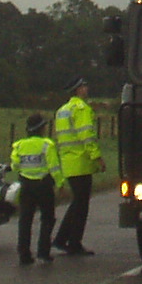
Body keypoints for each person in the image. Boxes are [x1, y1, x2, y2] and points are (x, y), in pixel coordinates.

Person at [52, 75, 104, 255]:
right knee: (81, 205)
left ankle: (62, 239)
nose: (86, 88)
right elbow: (86, 136)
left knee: (77, 202)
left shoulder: (62, 110)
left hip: (68, 162)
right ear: (78, 89)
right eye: (84, 86)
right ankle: (74, 242)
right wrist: (97, 157)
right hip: (81, 161)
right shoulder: (81, 109)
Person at [10, 112, 65, 264]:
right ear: (41, 129)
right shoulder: (47, 145)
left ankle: (24, 254)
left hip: (26, 186)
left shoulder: (19, 145)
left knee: (25, 219)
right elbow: (54, 167)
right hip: (43, 185)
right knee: (47, 218)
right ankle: (43, 252)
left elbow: (15, 166)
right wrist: (60, 183)